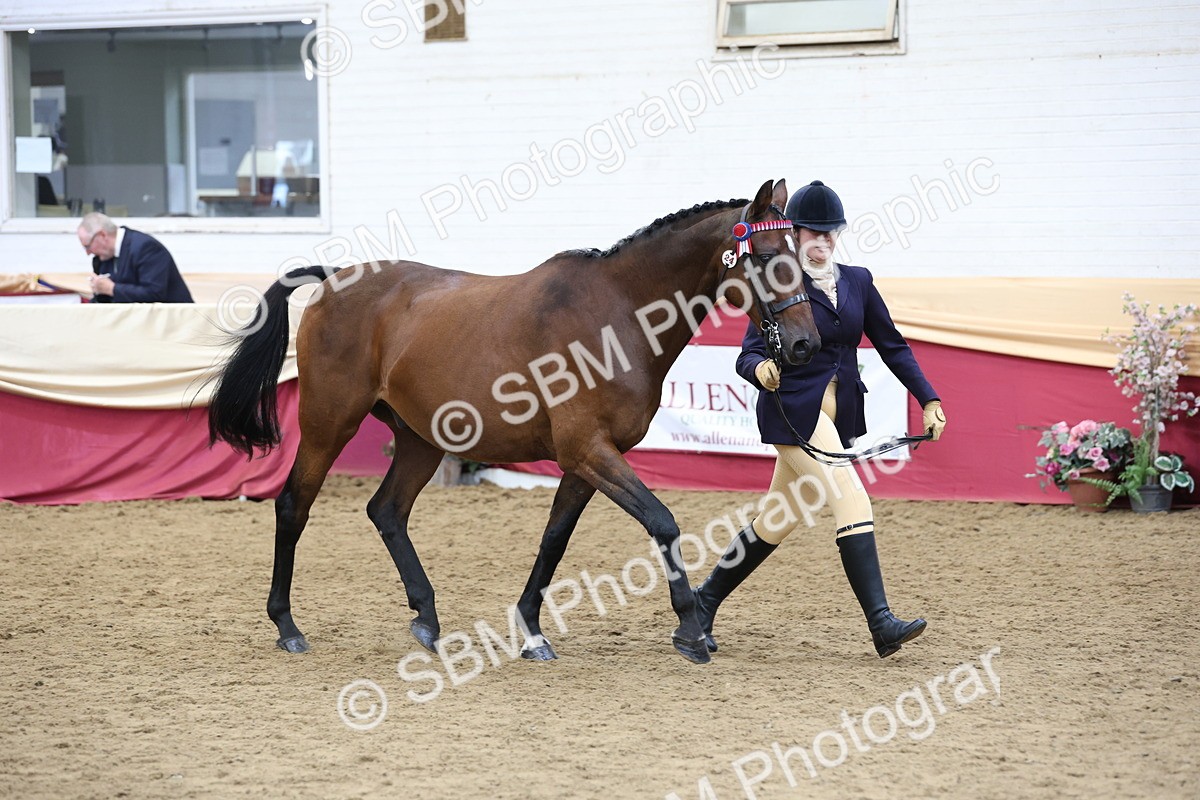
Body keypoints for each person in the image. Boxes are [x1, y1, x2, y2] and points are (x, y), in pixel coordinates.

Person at [693, 180, 947, 658]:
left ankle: (702, 603)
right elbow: (747, 355)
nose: (823, 240)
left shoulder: (858, 281)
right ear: (794, 235)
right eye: (814, 232)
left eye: (831, 232)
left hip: (838, 410)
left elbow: (893, 346)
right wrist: (760, 369)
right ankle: (881, 624)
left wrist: (928, 398)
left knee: (777, 518)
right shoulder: (780, 283)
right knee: (851, 498)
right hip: (793, 410)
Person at [76, 212, 194, 303]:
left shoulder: (145, 247)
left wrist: (111, 289)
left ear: (102, 235)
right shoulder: (103, 257)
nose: (88, 253)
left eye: (88, 246)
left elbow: (154, 293)